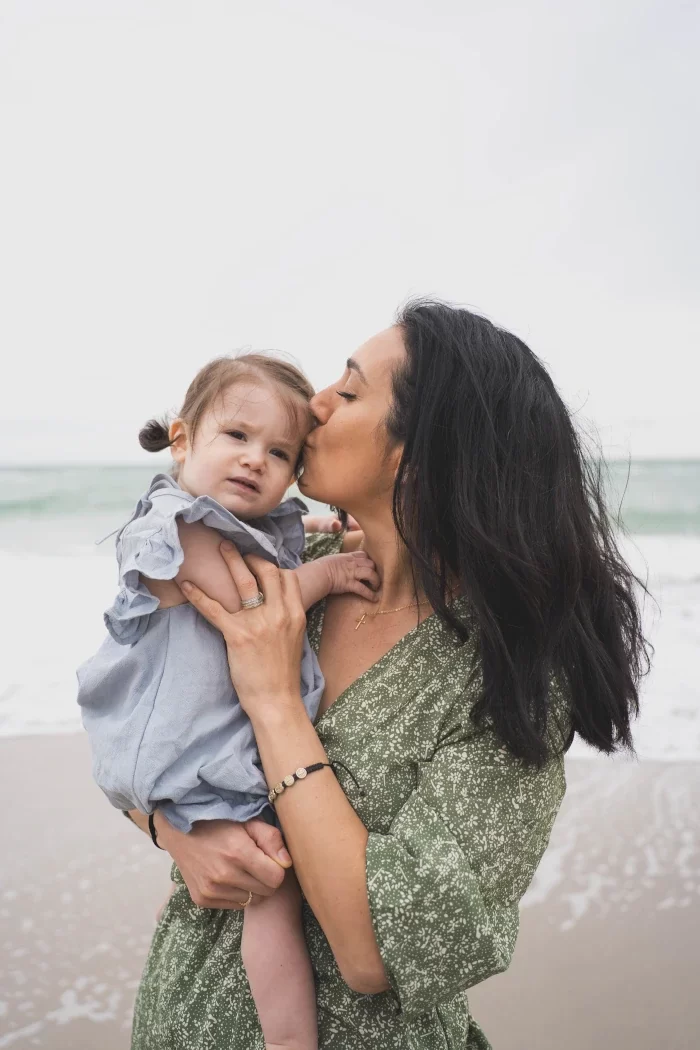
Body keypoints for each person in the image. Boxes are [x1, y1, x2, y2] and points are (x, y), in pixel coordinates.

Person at [125, 300, 648, 1049]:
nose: (316, 404)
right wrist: (172, 832)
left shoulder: (505, 679)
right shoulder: (290, 573)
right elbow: (137, 712)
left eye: (350, 389)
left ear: (414, 452)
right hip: (177, 1017)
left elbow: (377, 951)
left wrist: (275, 701)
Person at [77, 353, 378, 1050]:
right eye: (236, 437)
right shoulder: (176, 528)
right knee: (274, 892)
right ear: (183, 440)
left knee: (261, 889)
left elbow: (270, 549)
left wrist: (323, 535)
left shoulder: (237, 525)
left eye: (280, 451)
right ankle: (291, 1041)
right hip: (187, 746)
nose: (255, 461)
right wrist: (329, 573)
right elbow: (251, 603)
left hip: (202, 735)